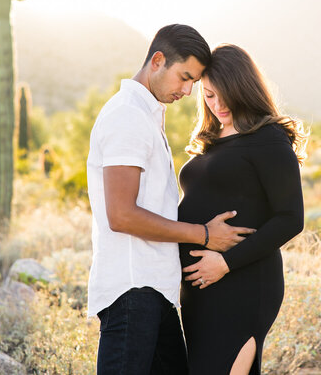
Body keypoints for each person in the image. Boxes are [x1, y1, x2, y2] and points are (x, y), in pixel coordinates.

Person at [87, 25, 256, 375]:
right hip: (133, 290)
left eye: (193, 82)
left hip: (157, 290)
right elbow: (120, 215)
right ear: (157, 61)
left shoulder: (147, 116)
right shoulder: (127, 117)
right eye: (183, 77)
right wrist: (204, 235)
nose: (187, 90)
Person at [178, 44, 306, 375]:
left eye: (224, 96)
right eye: (208, 96)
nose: (217, 105)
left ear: (243, 89)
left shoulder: (269, 138)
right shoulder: (213, 138)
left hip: (243, 283)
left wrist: (225, 262)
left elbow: (291, 218)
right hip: (201, 289)